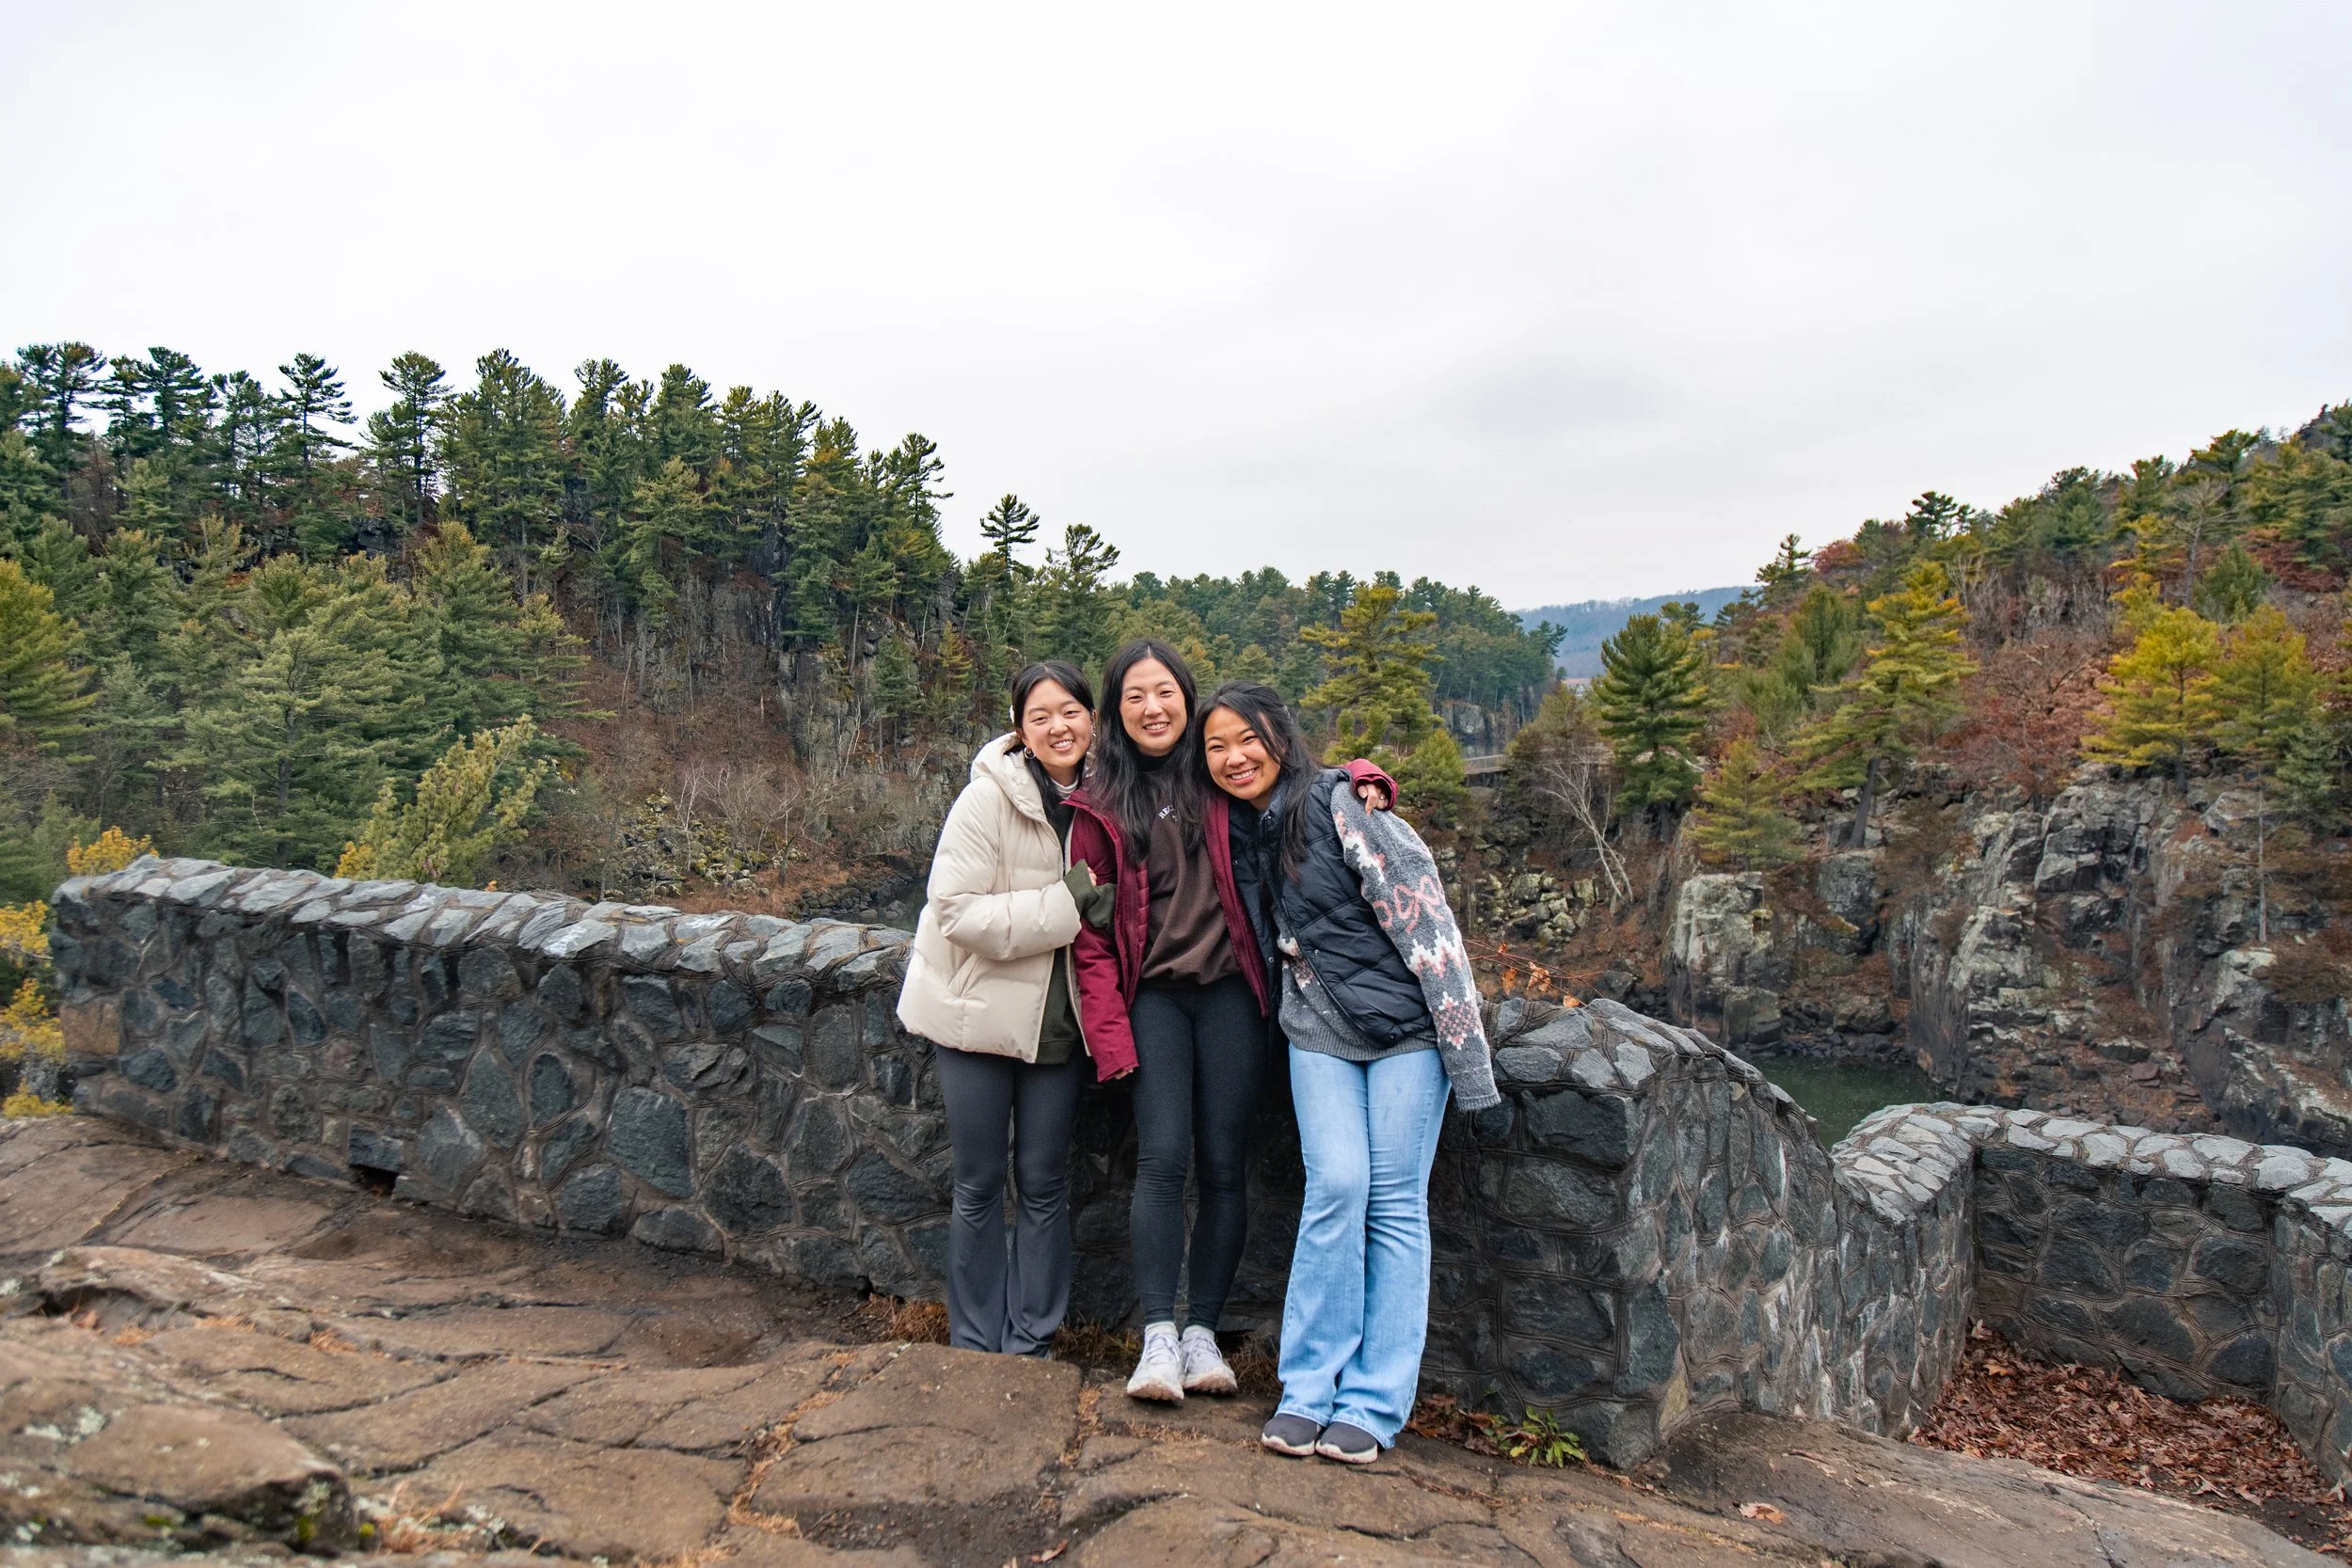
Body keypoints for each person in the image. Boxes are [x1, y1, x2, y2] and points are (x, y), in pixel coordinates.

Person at [1069, 641, 1393, 1404]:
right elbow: (1088, 936)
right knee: (1163, 1158)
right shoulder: (1101, 799)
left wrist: (1364, 777)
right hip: (1152, 997)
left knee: (1224, 1163)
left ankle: (1202, 1332)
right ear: (1117, 710)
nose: (1153, 708)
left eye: (1166, 693)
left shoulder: (1218, 775)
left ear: (1186, 696)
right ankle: (1155, 1336)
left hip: (1233, 995)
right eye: (1135, 697)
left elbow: (1300, 781)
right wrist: (1110, 1034)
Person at [1194, 680, 1500, 1465]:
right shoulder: (1233, 827)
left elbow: (1430, 925)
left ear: (1281, 739)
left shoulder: (1345, 805)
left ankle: (1373, 1401)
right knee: (1336, 1185)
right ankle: (1307, 1389)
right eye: (1216, 745)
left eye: (1246, 739)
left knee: (1396, 1202)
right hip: (1317, 1029)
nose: (1233, 757)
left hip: (1405, 1032)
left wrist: (1468, 1062)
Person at [896, 661, 1133, 1357]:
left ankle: (1031, 1337)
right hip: (974, 1016)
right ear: (1022, 730)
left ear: (1092, 720)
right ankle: (974, 1339)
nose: (1058, 726)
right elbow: (956, 911)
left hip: (1059, 1026)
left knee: (1044, 1184)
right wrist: (1069, 904)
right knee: (976, 1183)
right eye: (1040, 715)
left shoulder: (1110, 797)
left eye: (1070, 711)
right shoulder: (986, 801)